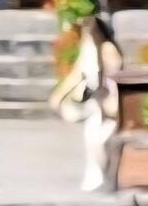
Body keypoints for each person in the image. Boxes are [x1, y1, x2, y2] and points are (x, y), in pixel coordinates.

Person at [49, 16, 123, 191]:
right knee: (92, 141)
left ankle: (110, 178)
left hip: (110, 101)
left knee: (102, 140)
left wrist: (113, 103)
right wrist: (58, 96)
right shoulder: (88, 48)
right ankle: (100, 178)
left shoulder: (108, 49)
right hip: (94, 104)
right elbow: (78, 73)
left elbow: (115, 79)